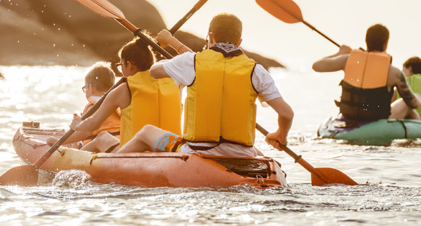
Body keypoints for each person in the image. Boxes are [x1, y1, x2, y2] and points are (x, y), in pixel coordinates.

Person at [117, 13, 294, 157]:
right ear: (239, 42)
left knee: (147, 131)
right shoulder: (257, 71)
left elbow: (154, 71)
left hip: (197, 152)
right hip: (241, 153)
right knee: (258, 153)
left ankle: (112, 164)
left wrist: (168, 49)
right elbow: (286, 114)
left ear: (209, 36)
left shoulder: (192, 62)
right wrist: (280, 135)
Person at [69, 35, 182, 153]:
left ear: (130, 65)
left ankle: (68, 158)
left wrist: (78, 124)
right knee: (104, 136)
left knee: (102, 137)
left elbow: (93, 124)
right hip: (172, 154)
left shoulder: (124, 89)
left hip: (132, 156)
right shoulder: (175, 83)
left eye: (121, 65)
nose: (121, 70)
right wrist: (173, 42)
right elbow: (194, 62)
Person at [312, 24, 421, 121]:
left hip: (349, 116)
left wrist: (340, 53)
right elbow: (412, 103)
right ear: (385, 44)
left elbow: (316, 66)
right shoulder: (394, 72)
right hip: (376, 119)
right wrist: (420, 99)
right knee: (406, 103)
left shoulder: (347, 60)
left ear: (366, 42)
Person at [47, 62, 121, 149]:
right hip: (118, 144)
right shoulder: (117, 105)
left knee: (73, 144)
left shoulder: (92, 107)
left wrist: (58, 142)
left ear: (91, 88)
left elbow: (83, 133)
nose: (85, 92)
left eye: (85, 89)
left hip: (98, 149)